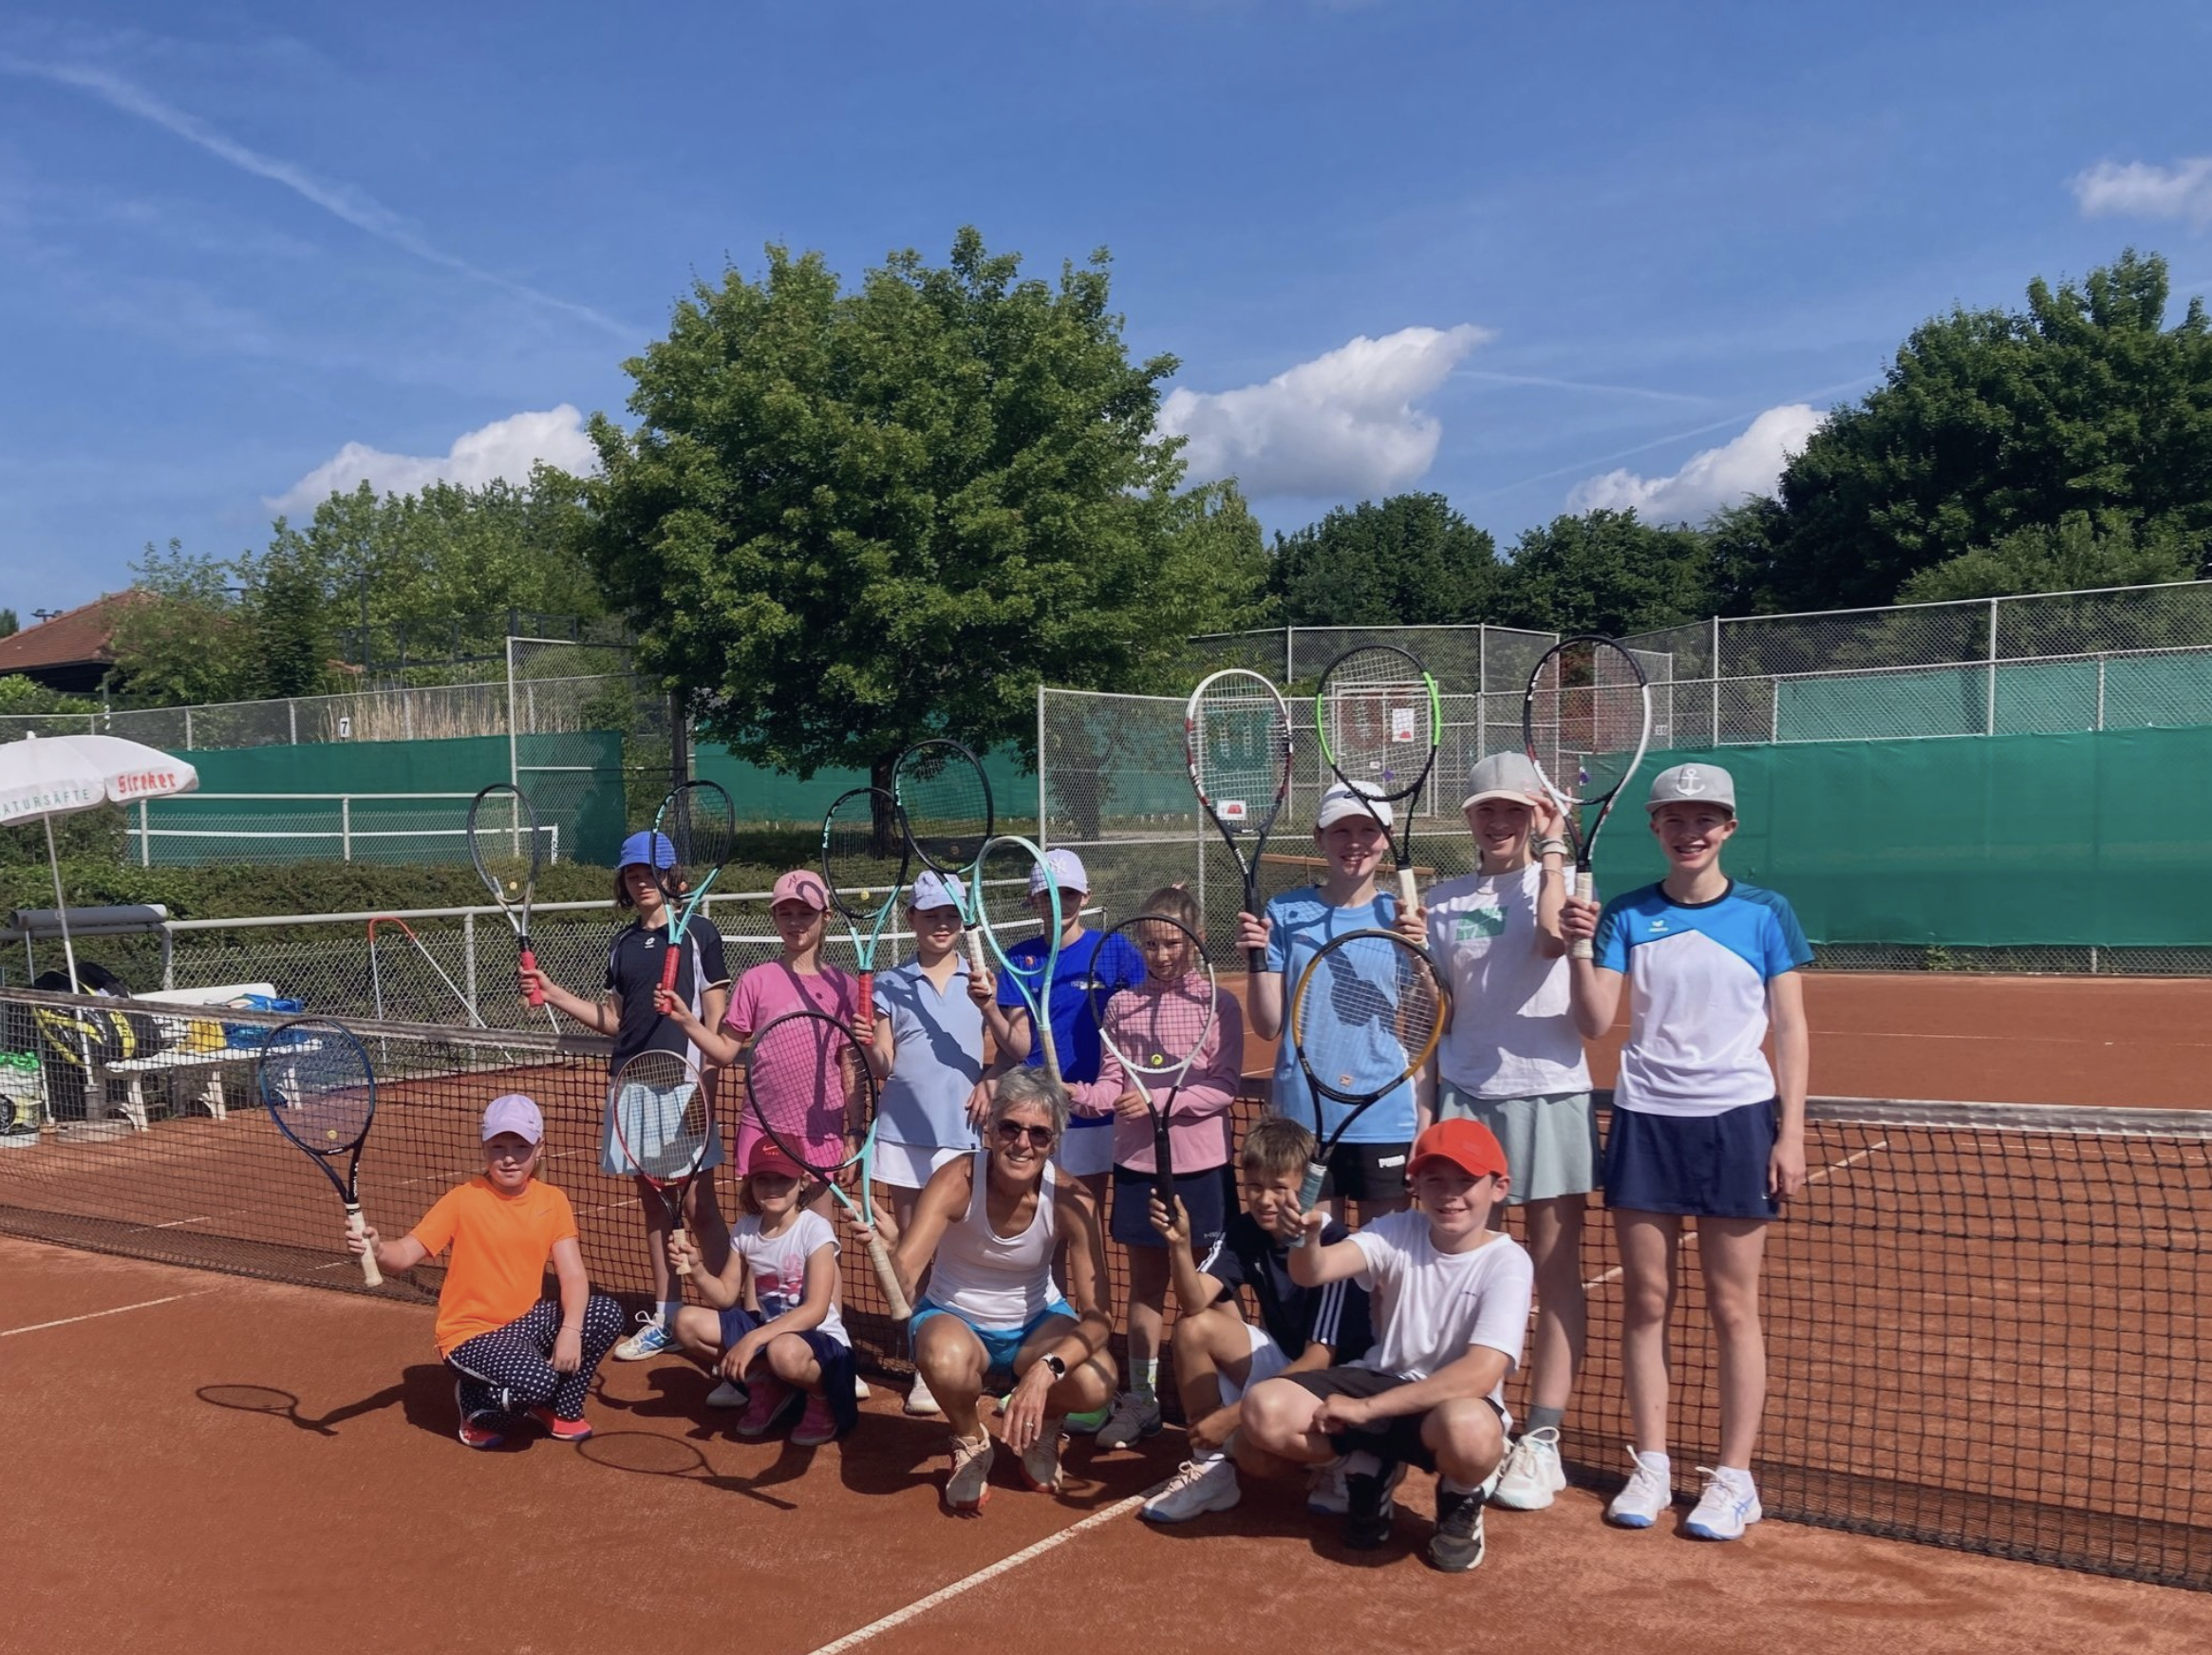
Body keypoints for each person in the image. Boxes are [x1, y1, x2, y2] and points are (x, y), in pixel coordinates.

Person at [1560, 762, 1812, 1543]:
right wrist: (1575, 946)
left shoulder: (1768, 912)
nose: (1691, 830)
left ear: (1728, 827)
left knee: (1734, 1306)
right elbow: (1596, 1021)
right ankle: (1655, 1462)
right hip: (1646, 1120)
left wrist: (1790, 1128)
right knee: (1646, 1301)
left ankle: (1735, 1477)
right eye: (1676, 817)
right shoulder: (1628, 915)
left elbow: (1793, 1028)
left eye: (1706, 818)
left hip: (1737, 1120)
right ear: (1656, 827)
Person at [1241, 1119, 1532, 1574]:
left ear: (1499, 1187)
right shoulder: (1398, 1229)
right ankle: (1367, 1465)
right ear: (1416, 1186)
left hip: (1450, 1406)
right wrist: (1307, 1238)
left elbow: (1480, 1373)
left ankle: (1459, 1495)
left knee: (1473, 1434)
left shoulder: (1508, 1262)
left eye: (1466, 1181)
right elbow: (1310, 1272)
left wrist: (1367, 1410)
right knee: (1264, 1408)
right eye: (1435, 1180)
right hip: (1381, 1378)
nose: (1450, 1194)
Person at [1423, 750, 1592, 1512]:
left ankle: (1544, 1438)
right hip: (1465, 1093)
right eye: (1486, 809)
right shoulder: (1444, 901)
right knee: (1459, 1271)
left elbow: (1556, 939)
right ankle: (1477, 1419)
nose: (1498, 822)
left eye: (1514, 810)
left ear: (1533, 817)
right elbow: (1436, 1006)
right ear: (1469, 818)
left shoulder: (1558, 883)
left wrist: (1557, 849)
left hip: (1549, 1092)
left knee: (1555, 1272)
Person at [863, 1068, 1117, 1514]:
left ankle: (1046, 1427)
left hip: (1037, 1328)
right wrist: (887, 1256)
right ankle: (970, 1438)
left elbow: (1099, 1317)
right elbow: (904, 1285)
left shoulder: (1074, 1199)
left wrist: (1046, 1372)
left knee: (1098, 1381)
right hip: (954, 1319)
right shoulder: (954, 1180)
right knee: (940, 1360)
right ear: (989, 1129)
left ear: (1054, 1142)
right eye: (1010, 1127)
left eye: (1039, 1134)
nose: (1023, 1143)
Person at [524, 829, 731, 1363]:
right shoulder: (622, 943)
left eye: (650, 873)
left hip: (684, 1084)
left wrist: (704, 1088)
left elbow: (717, 1018)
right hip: (631, 1084)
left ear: (671, 877)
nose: (641, 882)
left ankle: (732, 1310)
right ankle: (665, 1314)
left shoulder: (700, 933)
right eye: (632, 874)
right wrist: (555, 993)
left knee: (698, 1205)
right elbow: (615, 1021)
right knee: (656, 1209)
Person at [348, 1093, 625, 1449]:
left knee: (604, 1313)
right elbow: (404, 1254)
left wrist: (570, 1330)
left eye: (520, 1147)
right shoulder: (462, 1200)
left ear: (539, 1147)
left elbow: (572, 1275)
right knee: (535, 1381)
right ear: (484, 1147)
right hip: (469, 1336)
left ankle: (556, 1406)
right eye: (498, 1147)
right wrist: (378, 1248)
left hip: (523, 1325)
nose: (509, 1158)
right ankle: (477, 1405)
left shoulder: (552, 1201)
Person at [1136, 1115, 1375, 1524]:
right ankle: (1211, 1470)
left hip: (1343, 1387)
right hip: (1288, 1363)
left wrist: (1232, 1416)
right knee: (1193, 1328)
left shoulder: (1337, 1248)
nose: (1264, 1199)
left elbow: (1319, 1362)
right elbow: (1195, 1303)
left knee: (1255, 1456)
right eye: (1255, 1187)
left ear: (1307, 1187)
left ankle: (1352, 1462)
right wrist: (1178, 1245)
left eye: (1279, 1188)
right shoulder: (1246, 1230)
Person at [979, 845, 1139, 1434]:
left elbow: (1142, 1015)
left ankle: (1081, 1363)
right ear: (1033, 902)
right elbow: (1017, 1045)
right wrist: (990, 1021)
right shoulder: (1018, 957)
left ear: (1084, 898)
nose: (1057, 904)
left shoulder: (1115, 949)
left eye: (1066, 895)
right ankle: (1041, 1355)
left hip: (1093, 1117)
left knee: (1079, 1232)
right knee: (1038, 1233)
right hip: (1033, 1117)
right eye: (1046, 896)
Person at [1082, 885, 1246, 1452]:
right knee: (1146, 1288)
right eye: (1151, 944)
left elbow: (1223, 1089)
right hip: (1137, 1162)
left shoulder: (1217, 1004)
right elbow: (1111, 1085)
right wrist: (1071, 1095)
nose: (1162, 954)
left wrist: (1157, 1102)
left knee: (1216, 1286)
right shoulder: (1120, 1006)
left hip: (1202, 1166)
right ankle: (1143, 1399)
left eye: (1172, 943)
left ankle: (1232, 1393)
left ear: (1193, 941)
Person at [1236, 781, 1425, 1225]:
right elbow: (1267, 1026)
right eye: (1341, 830)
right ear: (1319, 838)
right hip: (1303, 1117)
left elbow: (1426, 1022)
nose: (1355, 842)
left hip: (1383, 1113)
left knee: (1384, 1265)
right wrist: (1255, 961)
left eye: (1368, 829)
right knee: (1309, 1257)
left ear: (1386, 838)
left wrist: (1420, 954)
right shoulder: (1284, 913)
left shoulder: (1403, 917)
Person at [659, 869, 859, 1206]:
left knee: (818, 1236)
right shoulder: (756, 981)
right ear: (774, 917)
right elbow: (723, 1052)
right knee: (760, 1236)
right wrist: (686, 1020)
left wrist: (855, 1133)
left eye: (806, 913)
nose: (795, 922)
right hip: (764, 1129)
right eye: (786, 913)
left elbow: (851, 1068)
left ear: (826, 917)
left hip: (822, 1130)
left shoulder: (845, 988)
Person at [865, 871, 986, 1417]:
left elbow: (1001, 1050)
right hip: (903, 1137)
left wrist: (992, 1080)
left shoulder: (982, 977)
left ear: (961, 923)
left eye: (950, 916)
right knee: (912, 1253)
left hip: (964, 1138)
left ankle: (965, 1354)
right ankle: (923, 1366)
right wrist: (869, 1046)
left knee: (960, 1253)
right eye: (930, 914)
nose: (941, 924)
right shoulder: (890, 983)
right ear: (911, 919)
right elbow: (885, 1064)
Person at [665, 1137, 860, 1447]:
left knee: (784, 1350)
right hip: (771, 1335)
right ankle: (768, 1383)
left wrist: (752, 1339)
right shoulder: (746, 1228)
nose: (772, 1188)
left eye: (782, 1179)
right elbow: (726, 1296)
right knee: (685, 1323)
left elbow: (816, 1311)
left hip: (822, 1347)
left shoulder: (815, 1229)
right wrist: (697, 1269)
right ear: (749, 1184)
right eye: (763, 1180)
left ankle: (821, 1395)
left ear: (802, 1181)